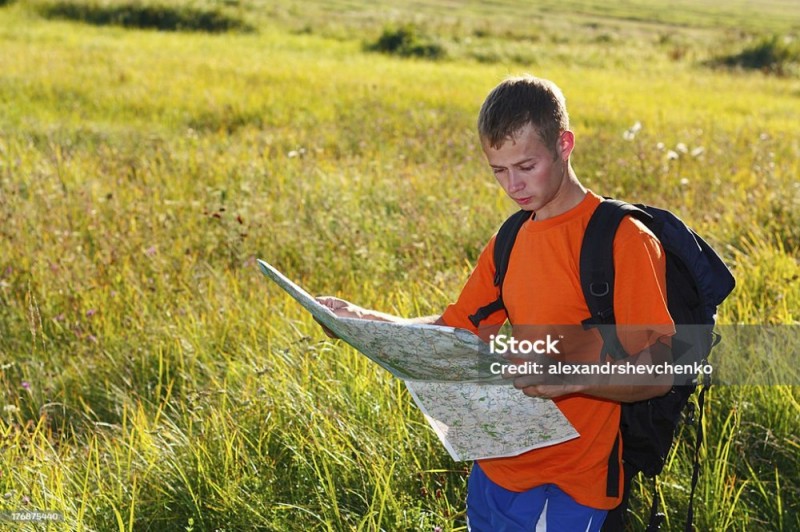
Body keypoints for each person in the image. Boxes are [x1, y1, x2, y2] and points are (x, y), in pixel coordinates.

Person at [317, 74, 675, 531]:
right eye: (498, 170)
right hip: (493, 469)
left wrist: (569, 377)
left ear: (564, 144)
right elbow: (456, 333)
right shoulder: (510, 238)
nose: (513, 186)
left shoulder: (622, 240)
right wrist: (364, 323)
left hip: (568, 484)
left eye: (526, 166)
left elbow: (662, 368)